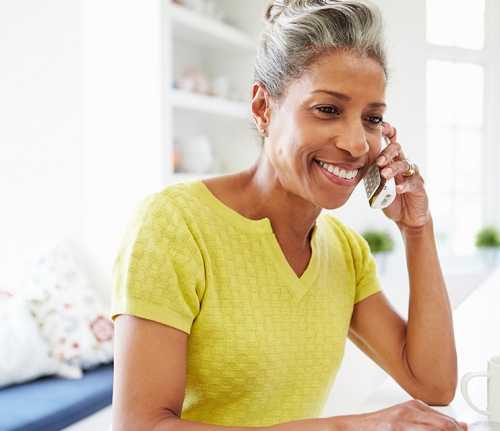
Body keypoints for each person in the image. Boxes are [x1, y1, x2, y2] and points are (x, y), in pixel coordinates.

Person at [111, 1, 465, 429]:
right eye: (328, 109)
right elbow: (140, 426)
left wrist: (417, 228)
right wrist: (349, 426)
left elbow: (434, 383)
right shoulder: (174, 226)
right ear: (263, 107)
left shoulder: (345, 252)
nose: (357, 143)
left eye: (372, 118)